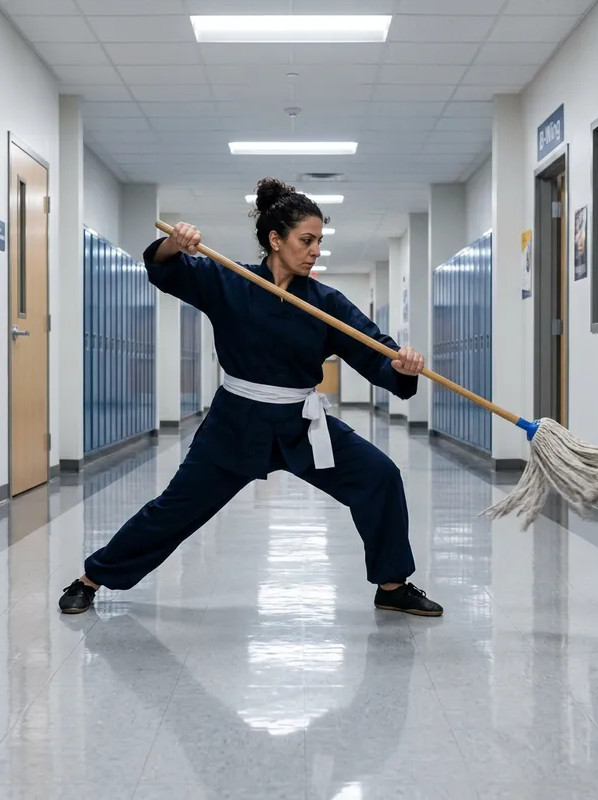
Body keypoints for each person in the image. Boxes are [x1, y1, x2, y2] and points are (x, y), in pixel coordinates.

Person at [59, 178, 443, 618]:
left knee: (379, 476)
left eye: (319, 240)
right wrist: (173, 244)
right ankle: (92, 578)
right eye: (307, 240)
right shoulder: (230, 281)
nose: (315, 250)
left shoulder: (326, 303)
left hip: (302, 423)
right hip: (236, 424)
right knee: (176, 509)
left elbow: (374, 351)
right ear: (275, 240)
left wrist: (401, 364)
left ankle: (392, 585)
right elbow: (166, 270)